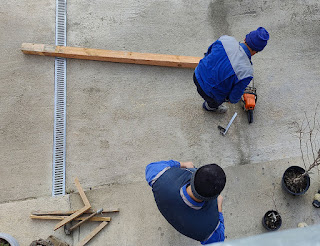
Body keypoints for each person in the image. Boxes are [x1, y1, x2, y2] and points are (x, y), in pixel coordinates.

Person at [145, 160, 226, 244]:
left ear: (193, 176)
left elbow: (150, 167)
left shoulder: (161, 176)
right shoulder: (209, 229)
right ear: (214, 197)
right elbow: (218, 241)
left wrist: (182, 164)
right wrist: (219, 206)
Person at [194, 27, 269, 113]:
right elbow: (234, 97)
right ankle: (210, 107)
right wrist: (232, 100)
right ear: (256, 52)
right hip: (209, 93)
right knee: (215, 101)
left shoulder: (225, 39)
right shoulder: (247, 72)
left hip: (197, 74)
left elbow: (208, 53)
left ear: (245, 38)